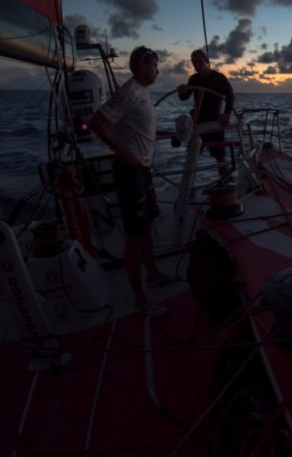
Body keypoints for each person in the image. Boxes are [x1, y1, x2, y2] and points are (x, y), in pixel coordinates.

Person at [90, 45, 169, 318]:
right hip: (129, 172)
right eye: (154, 65)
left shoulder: (141, 93)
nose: (158, 70)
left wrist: (167, 133)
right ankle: (140, 301)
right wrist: (126, 153)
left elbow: (139, 130)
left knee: (147, 225)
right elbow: (97, 122)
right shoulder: (129, 92)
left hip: (142, 171)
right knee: (134, 237)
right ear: (141, 67)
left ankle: (154, 274)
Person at [176, 49, 235, 180]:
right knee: (192, 156)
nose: (197, 65)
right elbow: (184, 97)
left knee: (220, 157)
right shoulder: (194, 79)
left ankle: (227, 185)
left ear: (207, 61)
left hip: (214, 123)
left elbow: (230, 96)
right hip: (197, 122)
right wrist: (182, 91)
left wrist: (226, 114)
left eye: (199, 61)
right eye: (194, 63)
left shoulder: (219, 78)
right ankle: (187, 190)